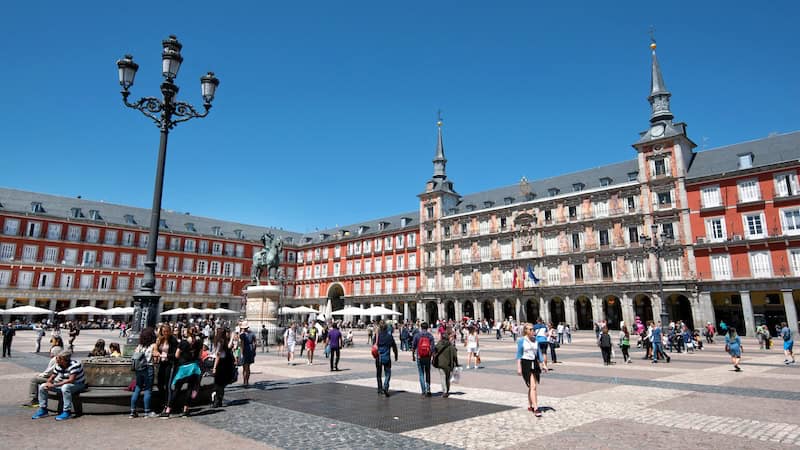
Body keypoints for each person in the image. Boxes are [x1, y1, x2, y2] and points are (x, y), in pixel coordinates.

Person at [31, 350, 86, 421]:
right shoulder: (59, 365)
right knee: (42, 386)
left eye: (59, 359)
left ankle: (67, 411)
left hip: (77, 385)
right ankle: (43, 409)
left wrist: (54, 385)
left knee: (65, 387)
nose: (56, 360)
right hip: (62, 384)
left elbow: (71, 380)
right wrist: (48, 383)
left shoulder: (75, 365)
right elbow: (52, 376)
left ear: (65, 360)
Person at [161, 327, 202, 418]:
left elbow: (176, 355)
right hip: (194, 368)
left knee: (177, 389)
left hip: (183, 368)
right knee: (190, 389)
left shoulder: (183, 342)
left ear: (187, 332)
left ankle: (168, 410)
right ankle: (185, 410)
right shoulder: (199, 343)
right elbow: (199, 356)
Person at [130, 327, 158, 418]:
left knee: (138, 388)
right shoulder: (153, 345)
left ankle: (132, 411)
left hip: (139, 369)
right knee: (148, 389)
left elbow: (135, 355)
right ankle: (147, 412)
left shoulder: (139, 346)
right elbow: (156, 355)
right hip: (148, 368)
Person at [516, 323, 542, 417]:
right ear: (526, 331)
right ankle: (536, 408)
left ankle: (530, 405)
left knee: (532, 386)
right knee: (533, 386)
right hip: (526, 364)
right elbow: (519, 355)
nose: (532, 331)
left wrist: (543, 364)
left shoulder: (536, 340)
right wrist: (519, 367)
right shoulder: (521, 341)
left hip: (534, 363)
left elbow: (538, 353)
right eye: (530, 329)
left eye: (533, 329)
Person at [155, 324, 178, 411]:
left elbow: (176, 354)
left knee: (168, 385)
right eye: (163, 331)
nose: (165, 333)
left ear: (170, 331)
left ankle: (168, 405)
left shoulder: (173, 340)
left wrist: (166, 355)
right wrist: (157, 352)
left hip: (170, 364)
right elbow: (156, 349)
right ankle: (163, 402)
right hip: (162, 363)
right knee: (160, 384)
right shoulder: (160, 339)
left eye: (167, 331)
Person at [211, 328, 235, 408]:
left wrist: (214, 367)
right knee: (221, 384)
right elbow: (229, 347)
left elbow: (218, 356)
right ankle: (219, 400)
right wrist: (231, 338)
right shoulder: (224, 341)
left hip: (220, 364)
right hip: (225, 364)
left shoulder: (220, 342)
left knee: (217, 383)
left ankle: (217, 401)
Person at [374, 320, 398, 397]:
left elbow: (374, 344)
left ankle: (380, 389)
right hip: (387, 357)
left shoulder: (377, 336)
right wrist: (396, 355)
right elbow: (394, 346)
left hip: (378, 357)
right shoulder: (389, 336)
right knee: (388, 373)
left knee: (378, 373)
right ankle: (386, 385)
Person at [412, 322, 436, 397]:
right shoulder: (430, 336)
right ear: (428, 327)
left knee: (421, 373)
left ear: (421, 327)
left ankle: (423, 390)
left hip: (419, 356)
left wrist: (413, 355)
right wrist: (432, 357)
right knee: (428, 372)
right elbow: (432, 348)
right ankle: (428, 389)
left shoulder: (417, 335)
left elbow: (413, 346)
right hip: (427, 357)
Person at [433, 329, 458, 398]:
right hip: (449, 364)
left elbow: (434, 351)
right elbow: (455, 355)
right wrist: (456, 363)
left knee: (442, 377)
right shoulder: (451, 345)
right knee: (447, 378)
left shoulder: (438, 344)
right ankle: (447, 390)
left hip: (440, 363)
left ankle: (445, 391)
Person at [238, 322, 256, 386]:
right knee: (248, 367)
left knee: (244, 367)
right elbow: (254, 343)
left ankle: (245, 381)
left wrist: (242, 353)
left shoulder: (242, 335)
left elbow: (242, 344)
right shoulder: (252, 333)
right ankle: (247, 381)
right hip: (250, 350)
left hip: (245, 350)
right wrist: (254, 351)